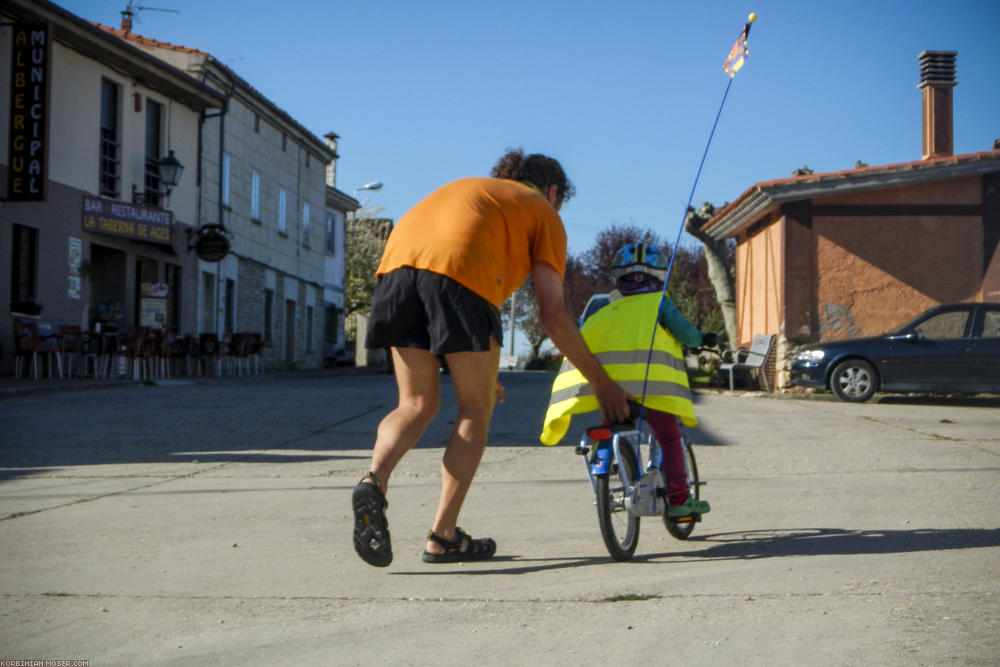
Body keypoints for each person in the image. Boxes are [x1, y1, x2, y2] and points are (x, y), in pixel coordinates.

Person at [352, 149, 632, 567]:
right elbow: (553, 315)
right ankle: (443, 536)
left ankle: (373, 479)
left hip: (395, 270)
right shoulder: (542, 211)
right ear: (553, 191)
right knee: (474, 409)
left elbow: (442, 267)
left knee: (414, 404)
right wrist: (601, 382)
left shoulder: (473, 192)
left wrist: (486, 368)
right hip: (460, 277)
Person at [540, 243, 718, 517]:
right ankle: (680, 499)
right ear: (659, 278)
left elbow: (576, 336)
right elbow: (685, 334)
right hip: (653, 392)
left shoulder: (601, 309)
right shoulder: (658, 303)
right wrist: (703, 339)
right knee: (669, 437)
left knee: (611, 428)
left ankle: (616, 468)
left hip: (610, 392)